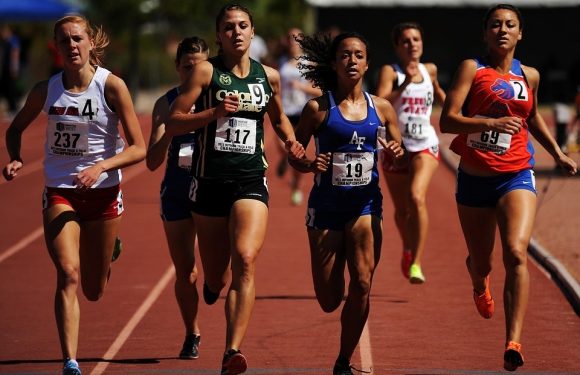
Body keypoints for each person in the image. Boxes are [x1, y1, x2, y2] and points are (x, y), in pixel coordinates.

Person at [165, 4, 305, 374]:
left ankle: (232, 350)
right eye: (228, 27)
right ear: (218, 36)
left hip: (249, 180)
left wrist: (292, 144)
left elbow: (278, 119)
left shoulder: (267, 76)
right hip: (209, 183)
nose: (236, 32)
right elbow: (174, 122)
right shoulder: (206, 72)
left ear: (253, 31)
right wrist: (214, 113)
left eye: (243, 26)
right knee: (216, 275)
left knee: (245, 258)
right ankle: (213, 284)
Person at [3, 15, 146, 375]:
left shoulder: (111, 86)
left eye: (77, 39)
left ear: (90, 43)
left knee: (94, 289)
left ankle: (109, 250)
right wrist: (16, 158)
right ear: (57, 47)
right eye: (64, 41)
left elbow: (139, 148)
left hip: (103, 194)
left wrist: (101, 167)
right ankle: (70, 360)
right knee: (67, 272)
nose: (72, 46)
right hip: (60, 192)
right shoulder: (45, 90)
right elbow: (15, 128)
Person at [439, 4, 577, 372]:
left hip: (516, 173)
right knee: (482, 261)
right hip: (474, 178)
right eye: (495, 24)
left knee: (516, 252)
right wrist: (489, 123)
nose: (503, 30)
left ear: (520, 34)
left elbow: (530, 117)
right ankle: (478, 281)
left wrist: (559, 153)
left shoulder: (529, 75)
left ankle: (513, 341)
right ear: (485, 33)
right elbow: (448, 119)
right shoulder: (473, 68)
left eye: (510, 25)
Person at [289, 32, 403, 375]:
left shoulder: (381, 108)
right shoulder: (317, 109)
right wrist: (309, 163)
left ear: (367, 63)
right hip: (325, 208)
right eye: (345, 55)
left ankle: (343, 360)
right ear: (335, 63)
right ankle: (338, 295)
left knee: (364, 283)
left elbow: (399, 156)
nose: (351, 61)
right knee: (328, 300)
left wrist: (398, 155)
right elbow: (295, 153)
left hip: (366, 205)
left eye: (358, 55)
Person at [146, 36, 209, 360]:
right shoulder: (165, 103)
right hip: (178, 192)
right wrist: (170, 129)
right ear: (178, 68)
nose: (193, 73)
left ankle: (216, 282)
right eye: (187, 67)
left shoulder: (218, 99)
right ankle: (192, 332)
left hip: (213, 191)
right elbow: (152, 161)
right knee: (186, 272)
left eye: (200, 67)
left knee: (217, 273)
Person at [375, 22, 446, 284]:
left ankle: (416, 261)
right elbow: (381, 103)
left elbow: (440, 96)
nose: (412, 44)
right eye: (406, 41)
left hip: (425, 142)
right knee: (402, 211)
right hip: (396, 146)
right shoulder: (390, 71)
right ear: (398, 47)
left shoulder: (430, 70)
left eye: (416, 39)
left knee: (417, 197)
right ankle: (407, 247)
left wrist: (452, 107)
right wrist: (404, 83)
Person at [276, 27, 321, 205]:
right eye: (290, 37)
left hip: (302, 112)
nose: (293, 41)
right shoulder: (281, 62)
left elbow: (318, 90)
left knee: (299, 151)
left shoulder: (309, 63)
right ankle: (285, 159)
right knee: (281, 145)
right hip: (284, 110)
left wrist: (301, 87)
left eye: (297, 38)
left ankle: (296, 186)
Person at [0, 24, 21, 116]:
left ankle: (14, 109)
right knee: (7, 88)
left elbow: (15, 54)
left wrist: (14, 68)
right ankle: (12, 107)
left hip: (11, 68)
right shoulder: (6, 41)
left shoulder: (13, 40)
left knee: (11, 88)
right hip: (6, 67)